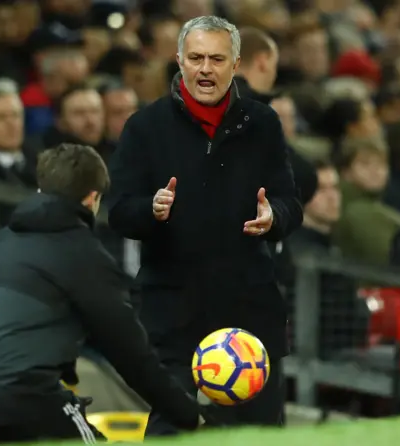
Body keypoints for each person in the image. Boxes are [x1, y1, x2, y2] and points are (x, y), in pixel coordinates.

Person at [107, 16, 303, 435]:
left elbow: (291, 204)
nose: (205, 69)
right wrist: (151, 210)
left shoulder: (262, 123)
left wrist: (274, 218)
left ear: (236, 65)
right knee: (170, 426)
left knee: (260, 432)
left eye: (216, 59)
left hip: (248, 306)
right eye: (195, 58)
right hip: (173, 310)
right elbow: (118, 211)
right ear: (179, 60)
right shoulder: (144, 127)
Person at [0, 143, 206, 445]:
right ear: (92, 198)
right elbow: (131, 353)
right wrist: (185, 412)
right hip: (20, 391)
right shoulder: (84, 255)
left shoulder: (2, 242)